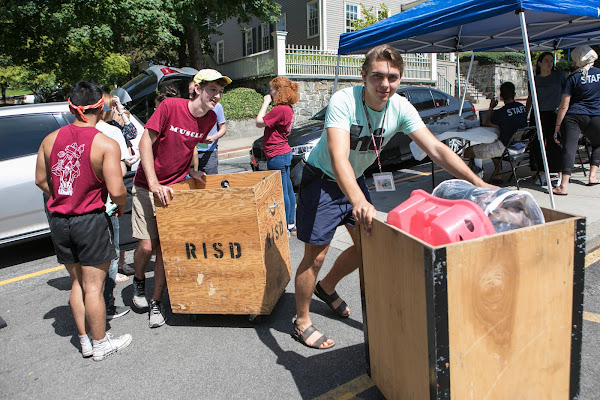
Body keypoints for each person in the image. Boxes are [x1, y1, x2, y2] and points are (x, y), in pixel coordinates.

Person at [293, 44, 493, 349]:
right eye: (377, 76)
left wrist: (478, 183)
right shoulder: (344, 100)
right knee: (316, 255)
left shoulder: (400, 107)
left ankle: (327, 286)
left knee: (369, 247)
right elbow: (338, 157)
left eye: (392, 77)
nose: (384, 84)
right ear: (364, 75)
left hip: (354, 180)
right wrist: (359, 201)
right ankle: (301, 320)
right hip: (323, 181)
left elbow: (437, 149)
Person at [35, 81, 132, 360]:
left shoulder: (50, 140)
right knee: (94, 286)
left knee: (77, 283)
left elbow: (41, 180)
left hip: (59, 219)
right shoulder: (105, 143)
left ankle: (85, 340)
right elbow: (117, 190)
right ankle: (100, 342)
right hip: (89, 219)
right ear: (101, 106)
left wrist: (65, 196)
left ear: (70, 105)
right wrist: (119, 207)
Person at [130, 69, 231, 328]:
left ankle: (156, 301)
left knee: (166, 247)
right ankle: (139, 278)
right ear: (197, 88)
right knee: (147, 246)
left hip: (174, 189)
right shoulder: (170, 106)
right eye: (212, 90)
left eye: (219, 92)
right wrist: (153, 183)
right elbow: (145, 143)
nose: (216, 96)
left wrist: (192, 171)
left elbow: (187, 148)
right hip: (146, 185)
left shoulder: (209, 120)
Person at [97, 93, 132, 320]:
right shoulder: (110, 133)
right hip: (107, 203)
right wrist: (119, 203)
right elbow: (120, 174)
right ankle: (107, 306)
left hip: (79, 211)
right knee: (111, 253)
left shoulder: (60, 135)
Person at [553, 45, 600, 195]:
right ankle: (592, 176)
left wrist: (558, 126)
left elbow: (563, 105)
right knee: (598, 144)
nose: (573, 62)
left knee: (569, 148)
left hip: (574, 116)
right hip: (596, 115)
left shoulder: (573, 78)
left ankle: (563, 186)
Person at [103, 94, 140, 276]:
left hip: (125, 171)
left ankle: (121, 263)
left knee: (122, 222)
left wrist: (120, 108)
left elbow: (132, 132)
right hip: (113, 175)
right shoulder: (104, 129)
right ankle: (113, 266)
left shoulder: (116, 125)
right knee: (114, 223)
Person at [256, 77, 298, 235]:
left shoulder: (280, 109)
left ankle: (286, 224)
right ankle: (291, 223)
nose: (270, 93)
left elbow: (259, 122)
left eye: (272, 90)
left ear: (279, 91)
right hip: (283, 152)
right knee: (287, 189)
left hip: (277, 154)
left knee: (281, 191)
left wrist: (265, 102)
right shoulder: (288, 109)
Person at [463, 82, 528, 183]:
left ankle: (475, 178)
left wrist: (491, 108)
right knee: (494, 144)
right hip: (523, 146)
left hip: (507, 148)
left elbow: (487, 124)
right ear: (514, 94)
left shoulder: (501, 112)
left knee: (468, 152)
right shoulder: (522, 108)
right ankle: (497, 175)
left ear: (501, 96)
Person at [526, 52, 566, 185]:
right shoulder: (534, 79)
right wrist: (526, 114)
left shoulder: (559, 76)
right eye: (546, 60)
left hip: (554, 113)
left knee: (556, 142)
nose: (550, 63)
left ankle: (559, 173)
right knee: (537, 144)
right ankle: (542, 173)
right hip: (538, 114)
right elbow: (530, 98)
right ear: (539, 63)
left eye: (551, 61)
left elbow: (566, 95)